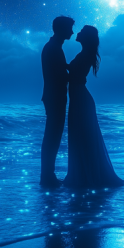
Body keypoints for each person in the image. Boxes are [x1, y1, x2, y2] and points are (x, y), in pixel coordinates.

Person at [63, 25, 124, 189]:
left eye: (82, 32)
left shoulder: (85, 55)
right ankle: (84, 174)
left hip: (81, 100)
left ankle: (86, 176)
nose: (78, 33)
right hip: (79, 98)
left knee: (83, 136)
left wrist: (60, 64)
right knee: (82, 137)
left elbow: (73, 75)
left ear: (86, 37)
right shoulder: (85, 54)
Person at [40, 15, 74, 187]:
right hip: (55, 97)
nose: (72, 32)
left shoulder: (53, 47)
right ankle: (47, 175)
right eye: (69, 28)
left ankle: (47, 174)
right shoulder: (53, 48)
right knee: (52, 136)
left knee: (53, 135)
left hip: (54, 96)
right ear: (62, 29)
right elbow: (59, 76)